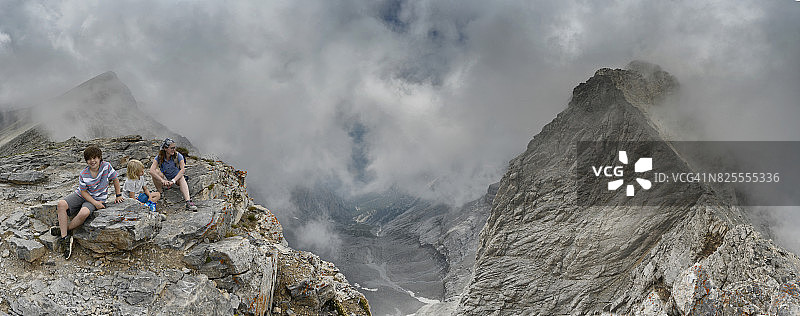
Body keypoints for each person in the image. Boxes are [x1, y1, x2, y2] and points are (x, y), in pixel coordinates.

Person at [51, 145, 123, 259]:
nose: (92, 161)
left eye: (95, 158)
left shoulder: (106, 166)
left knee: (84, 213)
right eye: (89, 159)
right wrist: (95, 203)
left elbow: (115, 179)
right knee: (61, 204)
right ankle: (65, 238)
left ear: (99, 158)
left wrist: (118, 195)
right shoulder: (84, 174)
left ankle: (64, 229)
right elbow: (83, 192)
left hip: (98, 198)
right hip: (83, 195)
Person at [149, 138, 197, 211]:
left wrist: (173, 180)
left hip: (176, 178)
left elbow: (183, 170)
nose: (174, 150)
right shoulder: (159, 157)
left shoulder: (178, 156)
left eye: (174, 147)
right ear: (165, 148)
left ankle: (188, 202)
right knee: (156, 172)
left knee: (181, 177)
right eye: (171, 148)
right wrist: (162, 180)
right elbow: (151, 171)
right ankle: (161, 193)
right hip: (165, 178)